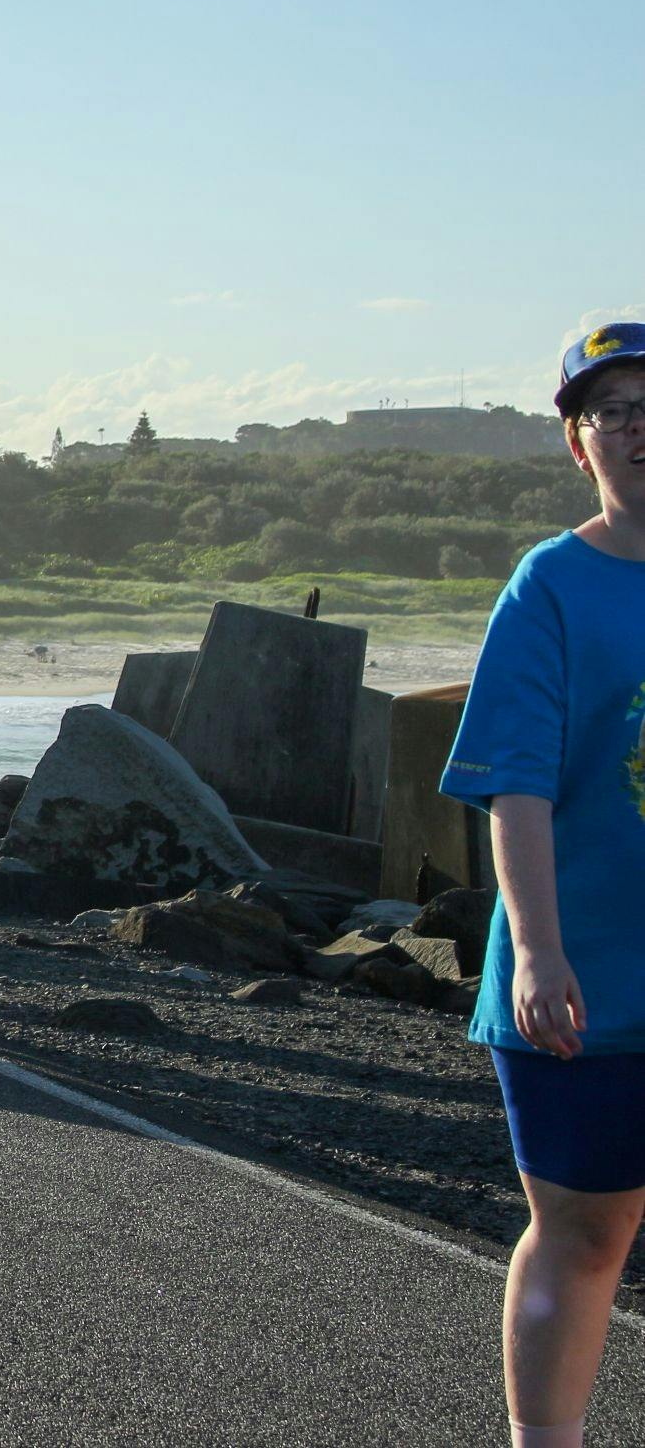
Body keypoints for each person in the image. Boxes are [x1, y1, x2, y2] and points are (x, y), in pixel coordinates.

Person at [441, 323, 645, 1448]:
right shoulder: (551, 585)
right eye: (609, 411)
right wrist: (537, 948)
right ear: (579, 445)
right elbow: (515, 784)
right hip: (584, 972)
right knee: (583, 1232)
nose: (634, 427)